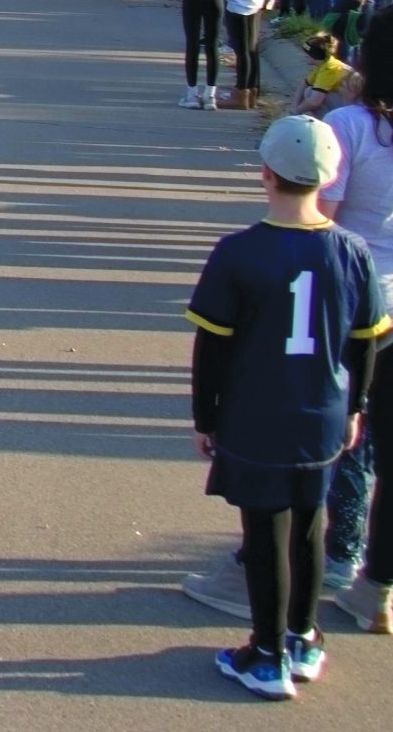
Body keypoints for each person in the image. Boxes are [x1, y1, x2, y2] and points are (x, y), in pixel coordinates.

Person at [182, 116, 386, 699]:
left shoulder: (239, 252)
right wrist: (355, 409)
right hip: (322, 412)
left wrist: (206, 417)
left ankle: (266, 654)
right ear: (330, 177)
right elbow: (366, 339)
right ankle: (303, 636)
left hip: (256, 413)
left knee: (265, 530)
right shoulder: (352, 251)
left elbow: (212, 344)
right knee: (309, 526)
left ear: (265, 175)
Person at [320, 27, 393, 631]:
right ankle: (380, 584)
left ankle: (341, 552)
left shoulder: (352, 128)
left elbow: (324, 223)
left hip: (364, 300)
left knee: (352, 426)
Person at [293, 33, 350, 117]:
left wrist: (297, 111)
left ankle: (326, 124)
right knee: (309, 91)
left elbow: (314, 101)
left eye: (307, 54)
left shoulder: (329, 68)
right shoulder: (324, 63)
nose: (304, 56)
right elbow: (304, 84)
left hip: (355, 105)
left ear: (316, 55)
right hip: (347, 100)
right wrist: (294, 107)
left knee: (313, 95)